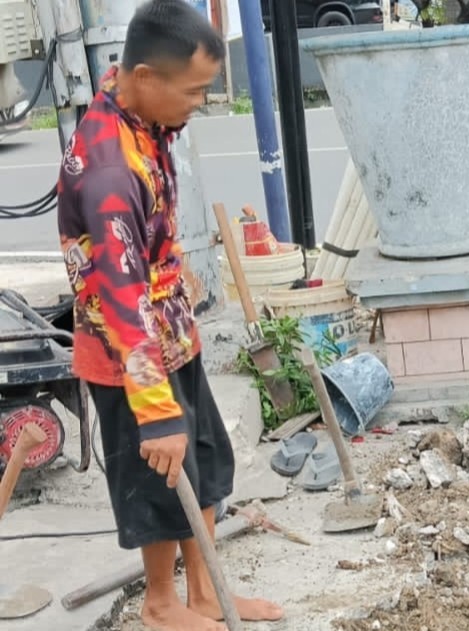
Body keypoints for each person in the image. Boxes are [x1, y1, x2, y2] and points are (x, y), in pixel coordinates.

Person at [56, 2, 284, 630]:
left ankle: (205, 595)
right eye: (194, 91)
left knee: (204, 464)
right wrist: (155, 415)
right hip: (129, 360)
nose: (199, 103)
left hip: (170, 337)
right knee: (158, 481)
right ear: (147, 78)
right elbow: (123, 302)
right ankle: (162, 605)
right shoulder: (108, 171)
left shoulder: (139, 115)